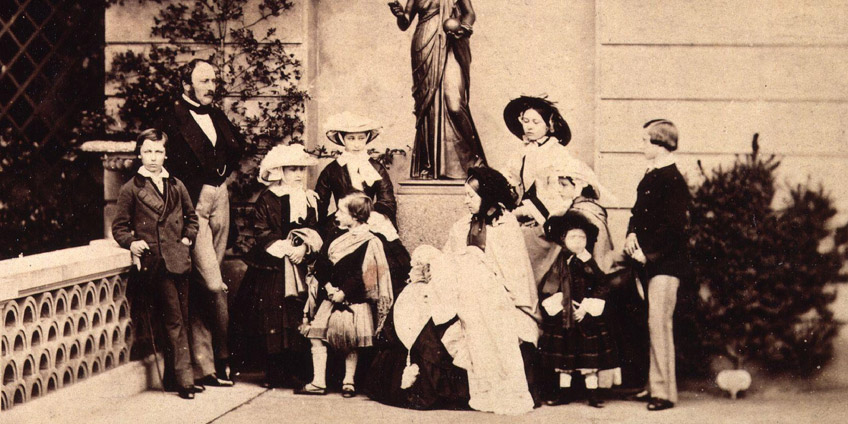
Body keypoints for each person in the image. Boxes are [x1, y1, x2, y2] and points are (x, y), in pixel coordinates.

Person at [158, 59, 245, 387]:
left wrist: (220, 177)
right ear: (186, 85)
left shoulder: (217, 114)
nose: (211, 86)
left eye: (213, 80)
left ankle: (203, 364)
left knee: (205, 283)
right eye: (204, 80)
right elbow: (166, 167)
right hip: (193, 205)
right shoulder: (171, 119)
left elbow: (236, 147)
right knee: (212, 283)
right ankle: (223, 357)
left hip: (220, 199)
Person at [433, 166, 538, 414]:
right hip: (464, 290)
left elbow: (515, 272)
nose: (465, 200)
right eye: (465, 195)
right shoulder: (461, 226)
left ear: (487, 195)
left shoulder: (505, 226)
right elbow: (448, 257)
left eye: (471, 195)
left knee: (491, 316)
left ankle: (501, 390)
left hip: (499, 294)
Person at [111, 129, 201, 400]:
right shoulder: (132, 189)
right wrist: (132, 243)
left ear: (166, 153)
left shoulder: (176, 184)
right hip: (156, 264)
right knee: (174, 319)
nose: (153, 158)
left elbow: (192, 218)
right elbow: (119, 227)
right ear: (139, 154)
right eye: (147, 151)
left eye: (158, 151)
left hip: (180, 260)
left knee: (182, 319)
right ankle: (186, 381)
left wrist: (187, 238)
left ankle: (173, 377)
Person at [230, 144, 323, 388]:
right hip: (273, 267)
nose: (298, 175)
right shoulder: (268, 198)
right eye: (292, 169)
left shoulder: (309, 198)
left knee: (298, 314)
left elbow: (314, 228)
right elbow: (262, 231)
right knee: (273, 316)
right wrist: (284, 248)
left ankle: (298, 371)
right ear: (280, 171)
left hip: (300, 264)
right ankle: (274, 372)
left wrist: (303, 249)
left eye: (301, 169)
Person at [296, 193, 394, 398]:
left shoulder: (371, 241)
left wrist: (344, 292)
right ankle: (318, 381)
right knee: (316, 336)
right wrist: (330, 288)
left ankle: (348, 381)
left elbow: (366, 273)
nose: (337, 215)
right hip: (330, 297)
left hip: (354, 299)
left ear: (356, 216)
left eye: (342, 211)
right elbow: (322, 264)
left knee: (352, 341)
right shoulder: (335, 235)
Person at [623, 119, 691, 411]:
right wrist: (631, 234)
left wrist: (648, 254)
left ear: (660, 143)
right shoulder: (652, 175)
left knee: (659, 325)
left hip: (666, 264)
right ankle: (653, 385)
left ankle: (664, 393)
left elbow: (675, 229)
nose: (641, 146)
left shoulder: (672, 179)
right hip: (649, 261)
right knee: (651, 324)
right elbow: (638, 213)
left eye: (644, 141)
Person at [389, 0, 487, 179]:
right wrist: (398, 12)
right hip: (424, 43)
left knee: (454, 104)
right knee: (430, 107)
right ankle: (432, 165)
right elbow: (405, 23)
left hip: (450, 42)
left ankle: (473, 159)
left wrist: (463, 28)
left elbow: (469, 13)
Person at [315, 111, 410, 295]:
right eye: (351, 138)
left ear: (367, 138)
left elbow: (387, 199)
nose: (357, 143)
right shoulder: (332, 169)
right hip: (342, 222)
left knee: (389, 258)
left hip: (371, 220)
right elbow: (320, 201)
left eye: (361, 138)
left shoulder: (375, 167)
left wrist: (372, 215)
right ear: (342, 139)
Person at [538, 211, 621, 408]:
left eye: (582, 237)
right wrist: (563, 303)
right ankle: (563, 394)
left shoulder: (588, 262)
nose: (578, 241)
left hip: (585, 316)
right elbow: (549, 286)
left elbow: (602, 284)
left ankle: (592, 394)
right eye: (573, 237)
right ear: (563, 239)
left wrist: (586, 307)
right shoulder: (558, 263)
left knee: (589, 360)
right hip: (565, 316)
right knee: (565, 358)